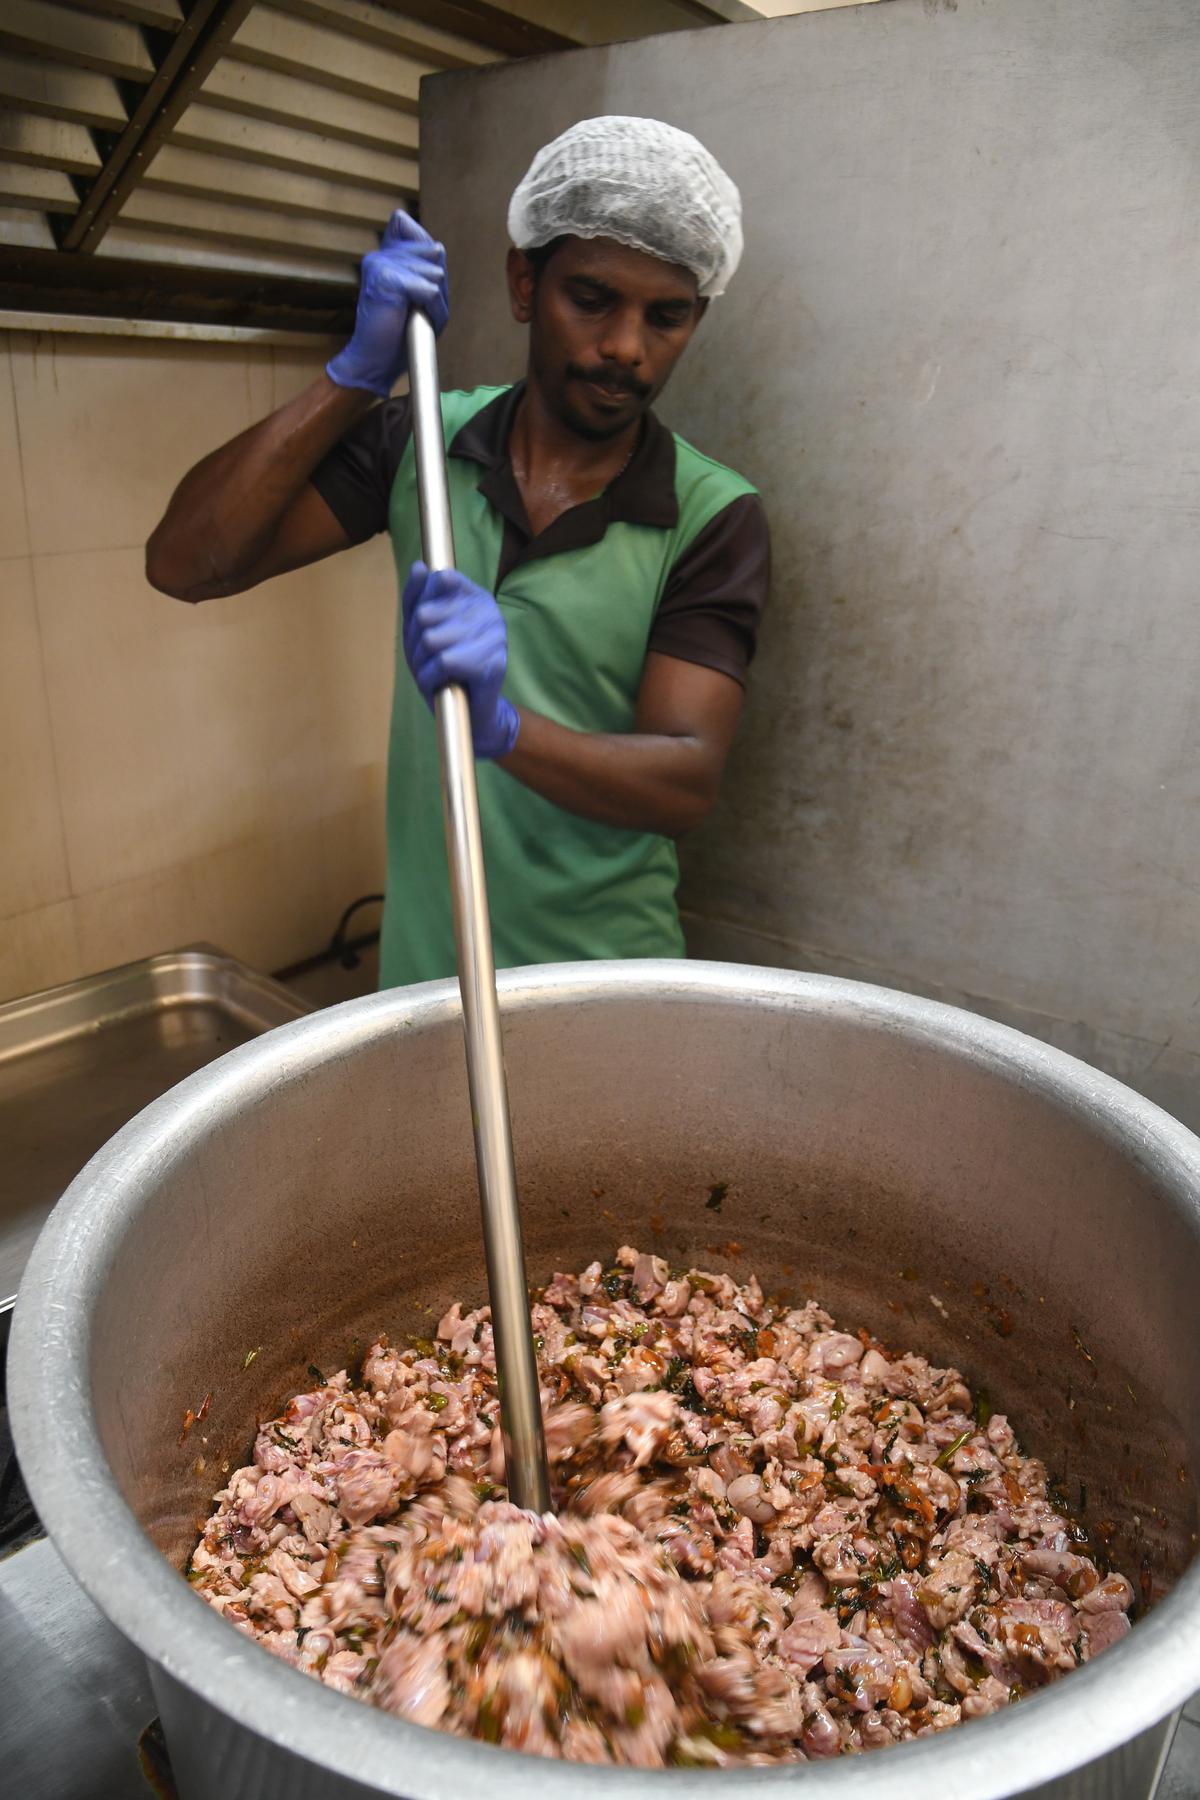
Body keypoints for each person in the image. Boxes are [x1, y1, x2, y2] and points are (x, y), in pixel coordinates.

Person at [146, 116, 770, 988]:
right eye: (592, 299)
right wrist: (353, 378)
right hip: (430, 979)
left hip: (608, 992)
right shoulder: (421, 450)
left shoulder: (711, 516)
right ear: (524, 282)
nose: (627, 346)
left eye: (666, 317)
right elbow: (188, 562)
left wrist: (502, 731)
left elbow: (683, 781)